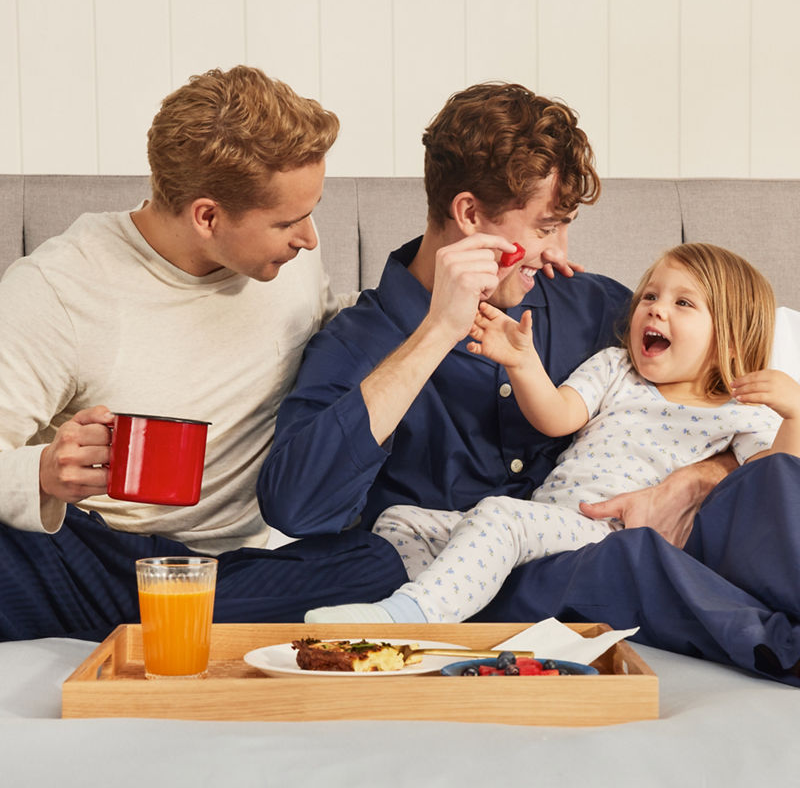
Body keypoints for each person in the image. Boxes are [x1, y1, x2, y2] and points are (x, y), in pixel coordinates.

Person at [260, 82, 800, 685]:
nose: (560, 252)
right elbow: (297, 507)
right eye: (546, 228)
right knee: (243, 588)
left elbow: (707, 395)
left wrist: (692, 481)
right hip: (436, 567)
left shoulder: (594, 308)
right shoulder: (359, 341)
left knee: (753, 494)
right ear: (469, 216)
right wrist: (437, 331)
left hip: (588, 552)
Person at [0, 65, 406, 642]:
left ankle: (161, 628)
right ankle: (156, 626)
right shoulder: (59, 289)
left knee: (388, 561)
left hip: (236, 570)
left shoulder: (288, 262)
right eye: (288, 221)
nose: (310, 238)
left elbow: (336, 339)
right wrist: (41, 471)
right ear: (207, 216)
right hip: (103, 557)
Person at [305, 242, 800, 623]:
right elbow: (558, 415)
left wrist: (795, 418)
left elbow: (761, 486)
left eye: (683, 303)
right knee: (401, 520)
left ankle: (405, 619)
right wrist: (523, 363)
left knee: (501, 516)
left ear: (731, 335)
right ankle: (438, 612)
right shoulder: (617, 368)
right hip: (550, 520)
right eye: (651, 295)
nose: (654, 309)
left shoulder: (741, 412)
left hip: (608, 537)